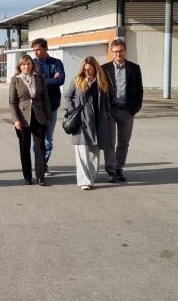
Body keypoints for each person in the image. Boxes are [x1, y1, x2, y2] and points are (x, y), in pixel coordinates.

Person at [63, 56, 112, 190]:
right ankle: (84, 181)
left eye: (90, 69)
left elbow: (107, 101)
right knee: (81, 152)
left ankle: (91, 177)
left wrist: (108, 116)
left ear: (96, 69)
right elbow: (67, 96)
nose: (88, 72)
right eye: (85, 69)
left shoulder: (102, 82)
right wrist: (72, 109)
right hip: (82, 121)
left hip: (98, 121)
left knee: (94, 153)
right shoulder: (77, 80)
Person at [101, 38, 143, 183]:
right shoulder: (104, 69)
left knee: (124, 142)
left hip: (127, 110)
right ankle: (110, 170)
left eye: (121, 51)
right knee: (109, 142)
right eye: (116, 51)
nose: (119, 54)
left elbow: (139, 90)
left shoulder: (134, 68)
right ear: (111, 52)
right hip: (110, 110)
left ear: (125, 51)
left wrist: (134, 109)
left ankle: (119, 168)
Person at [9, 54, 51, 186]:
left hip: (39, 116)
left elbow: (46, 98)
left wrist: (48, 116)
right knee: (24, 147)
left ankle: (40, 176)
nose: (26, 66)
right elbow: (12, 102)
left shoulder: (39, 78)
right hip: (22, 118)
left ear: (32, 64)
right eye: (23, 64)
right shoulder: (15, 80)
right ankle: (27, 176)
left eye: (28, 63)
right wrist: (15, 120)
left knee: (40, 147)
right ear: (19, 67)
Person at [31, 38, 65, 176]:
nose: (36, 52)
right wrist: (51, 80)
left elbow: (60, 80)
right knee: (37, 138)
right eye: (34, 50)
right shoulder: (32, 64)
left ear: (45, 48)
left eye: (38, 49)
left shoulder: (56, 63)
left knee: (48, 140)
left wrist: (42, 81)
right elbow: (32, 82)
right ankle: (38, 165)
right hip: (36, 107)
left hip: (52, 106)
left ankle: (44, 163)